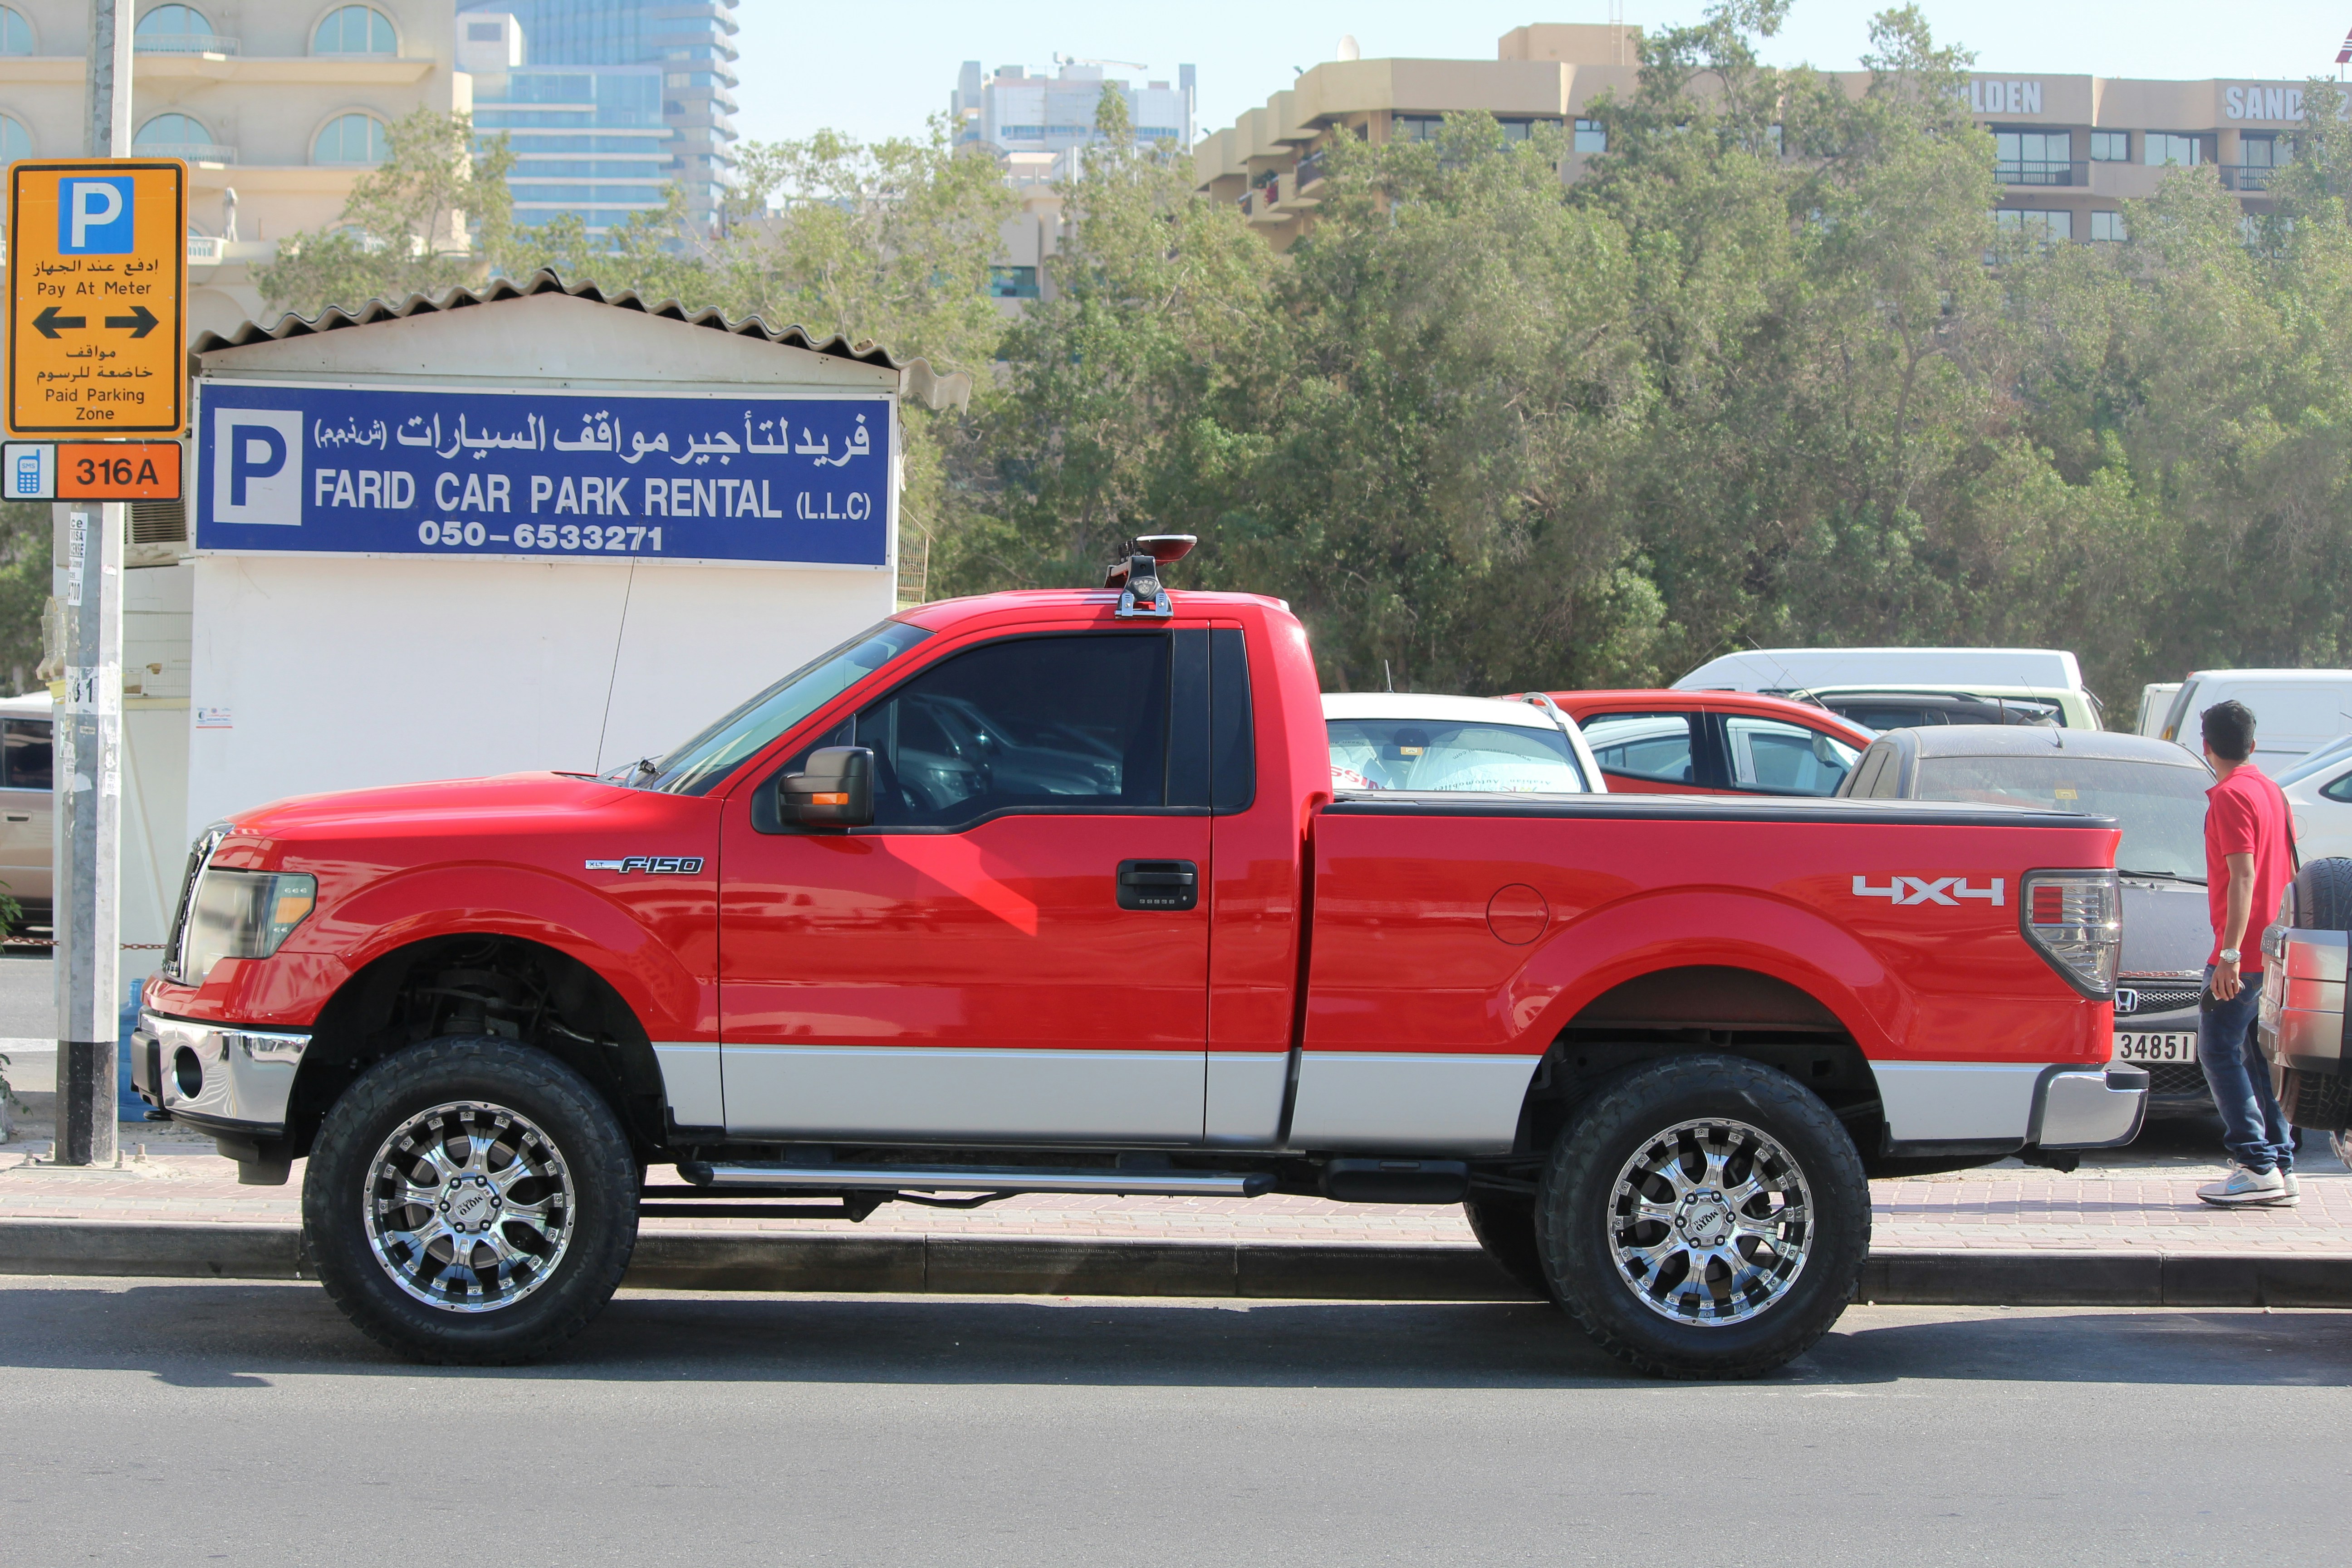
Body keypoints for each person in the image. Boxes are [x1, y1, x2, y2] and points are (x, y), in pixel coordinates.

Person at [2194, 700, 2299, 1207]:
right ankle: (2279, 1163)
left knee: (2216, 1049)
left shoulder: (2230, 796)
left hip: (2245, 951)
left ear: (2206, 745)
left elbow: (2243, 875)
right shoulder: (2272, 791)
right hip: (2276, 946)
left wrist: (2230, 954)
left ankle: (2256, 1164)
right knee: (2257, 1055)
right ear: (2253, 745)